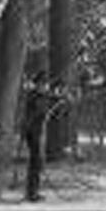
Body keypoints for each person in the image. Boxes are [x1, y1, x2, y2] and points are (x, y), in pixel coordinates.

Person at [21, 72, 63, 202]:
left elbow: (49, 107)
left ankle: (33, 192)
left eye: (45, 83)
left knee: (36, 162)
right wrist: (54, 100)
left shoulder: (39, 96)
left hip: (36, 131)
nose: (45, 86)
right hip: (32, 132)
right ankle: (32, 193)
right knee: (36, 162)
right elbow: (41, 109)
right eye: (43, 83)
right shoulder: (35, 96)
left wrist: (57, 100)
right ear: (38, 84)